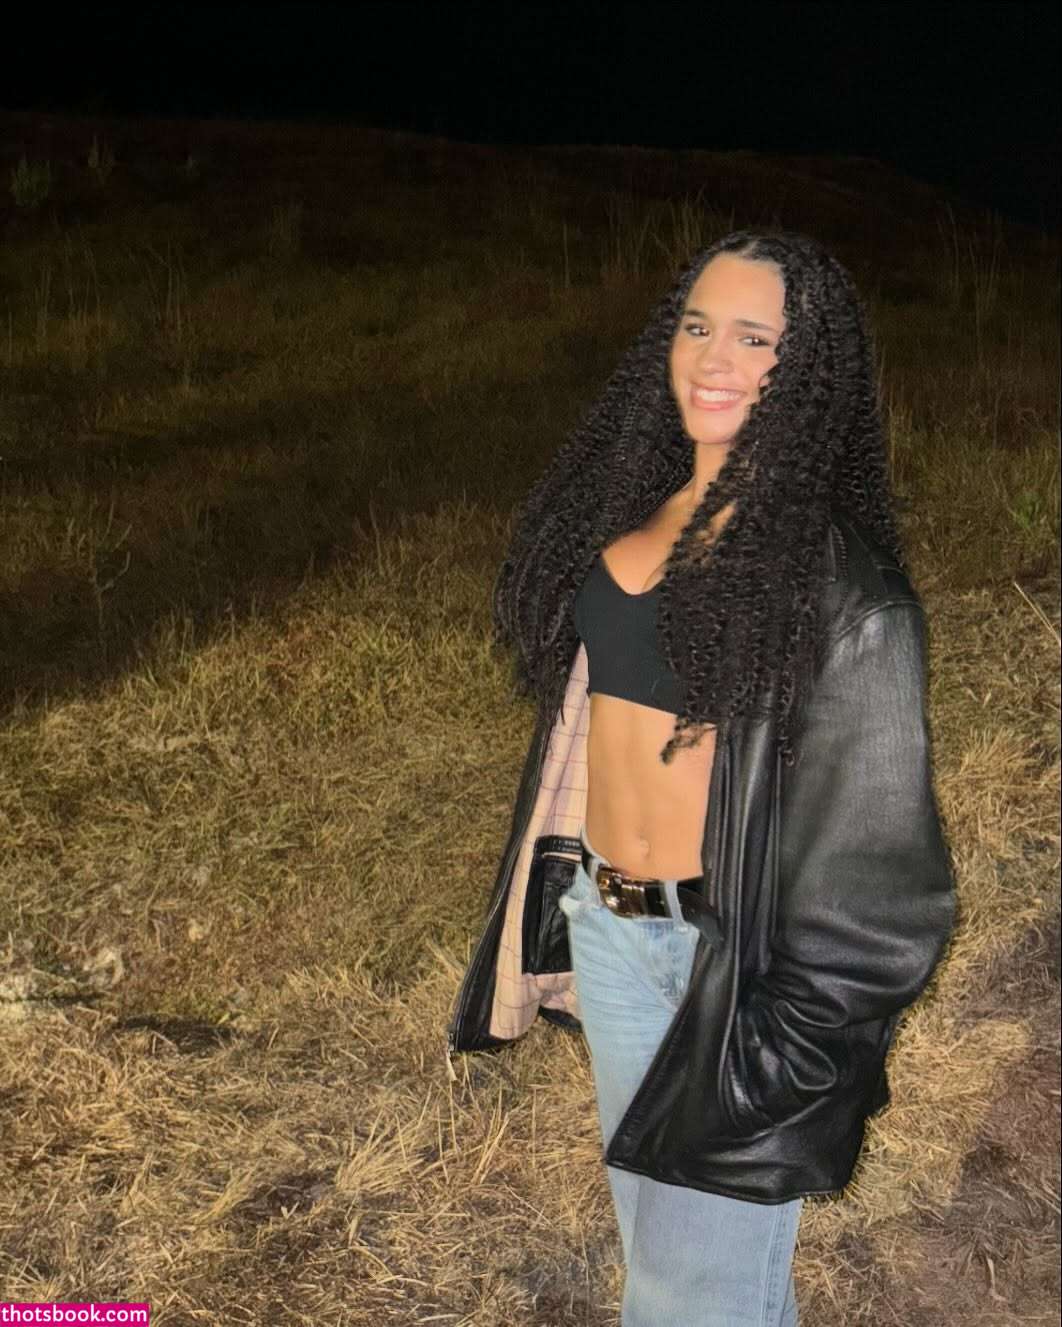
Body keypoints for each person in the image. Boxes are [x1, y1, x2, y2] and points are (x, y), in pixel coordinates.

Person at [446, 230, 955, 1326]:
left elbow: (886, 892)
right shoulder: (638, 514)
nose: (714, 357)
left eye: (755, 338)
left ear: (806, 369)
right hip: (609, 930)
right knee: (672, 1267)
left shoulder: (843, 592)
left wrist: (787, 1049)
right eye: (696, 325)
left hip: (724, 970)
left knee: (692, 1294)